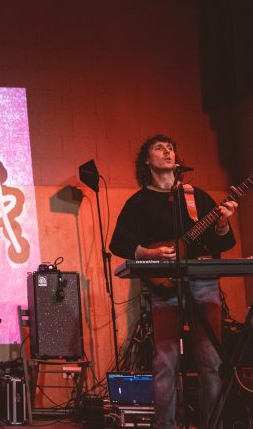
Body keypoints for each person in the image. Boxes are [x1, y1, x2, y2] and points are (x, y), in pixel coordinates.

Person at [109, 134, 237, 429]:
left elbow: (224, 242)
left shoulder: (196, 196)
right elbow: (118, 243)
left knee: (211, 362)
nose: (167, 152)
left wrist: (222, 223)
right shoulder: (138, 202)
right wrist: (148, 253)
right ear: (147, 161)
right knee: (165, 363)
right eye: (159, 148)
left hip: (203, 283)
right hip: (164, 289)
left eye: (171, 148)